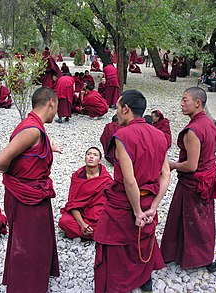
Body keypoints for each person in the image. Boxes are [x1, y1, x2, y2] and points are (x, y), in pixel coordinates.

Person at [94, 90, 170, 292]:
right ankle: (143, 279)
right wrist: (153, 208)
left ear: (126, 109)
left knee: (115, 242)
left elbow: (129, 181)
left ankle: (118, 284)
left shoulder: (123, 135)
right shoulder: (160, 135)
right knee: (143, 239)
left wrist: (137, 212)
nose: (116, 112)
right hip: (149, 200)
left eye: (117, 108)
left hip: (127, 202)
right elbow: (166, 175)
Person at [0, 87, 62, 293]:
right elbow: (1, 160)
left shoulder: (35, 127)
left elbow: (27, 153)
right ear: (51, 102)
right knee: (27, 245)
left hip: (33, 192)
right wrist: (15, 177)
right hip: (26, 194)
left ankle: (36, 282)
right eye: (57, 106)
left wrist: (47, 147)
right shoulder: (32, 129)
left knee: (37, 242)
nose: (57, 112)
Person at [161, 87, 216, 273]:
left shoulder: (193, 130)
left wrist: (171, 164)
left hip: (193, 182)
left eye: (185, 100)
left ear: (198, 103)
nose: (182, 103)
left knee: (187, 218)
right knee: (204, 220)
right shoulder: (209, 124)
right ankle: (205, 256)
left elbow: (191, 166)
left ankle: (184, 256)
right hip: (207, 179)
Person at [59, 147, 113, 240]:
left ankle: (90, 233)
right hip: (81, 214)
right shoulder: (77, 177)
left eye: (95, 155)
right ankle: (95, 234)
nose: (91, 157)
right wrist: (81, 224)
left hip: (98, 215)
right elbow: (73, 204)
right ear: (85, 158)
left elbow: (110, 204)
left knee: (110, 223)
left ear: (99, 161)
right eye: (89, 154)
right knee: (64, 222)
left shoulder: (106, 179)